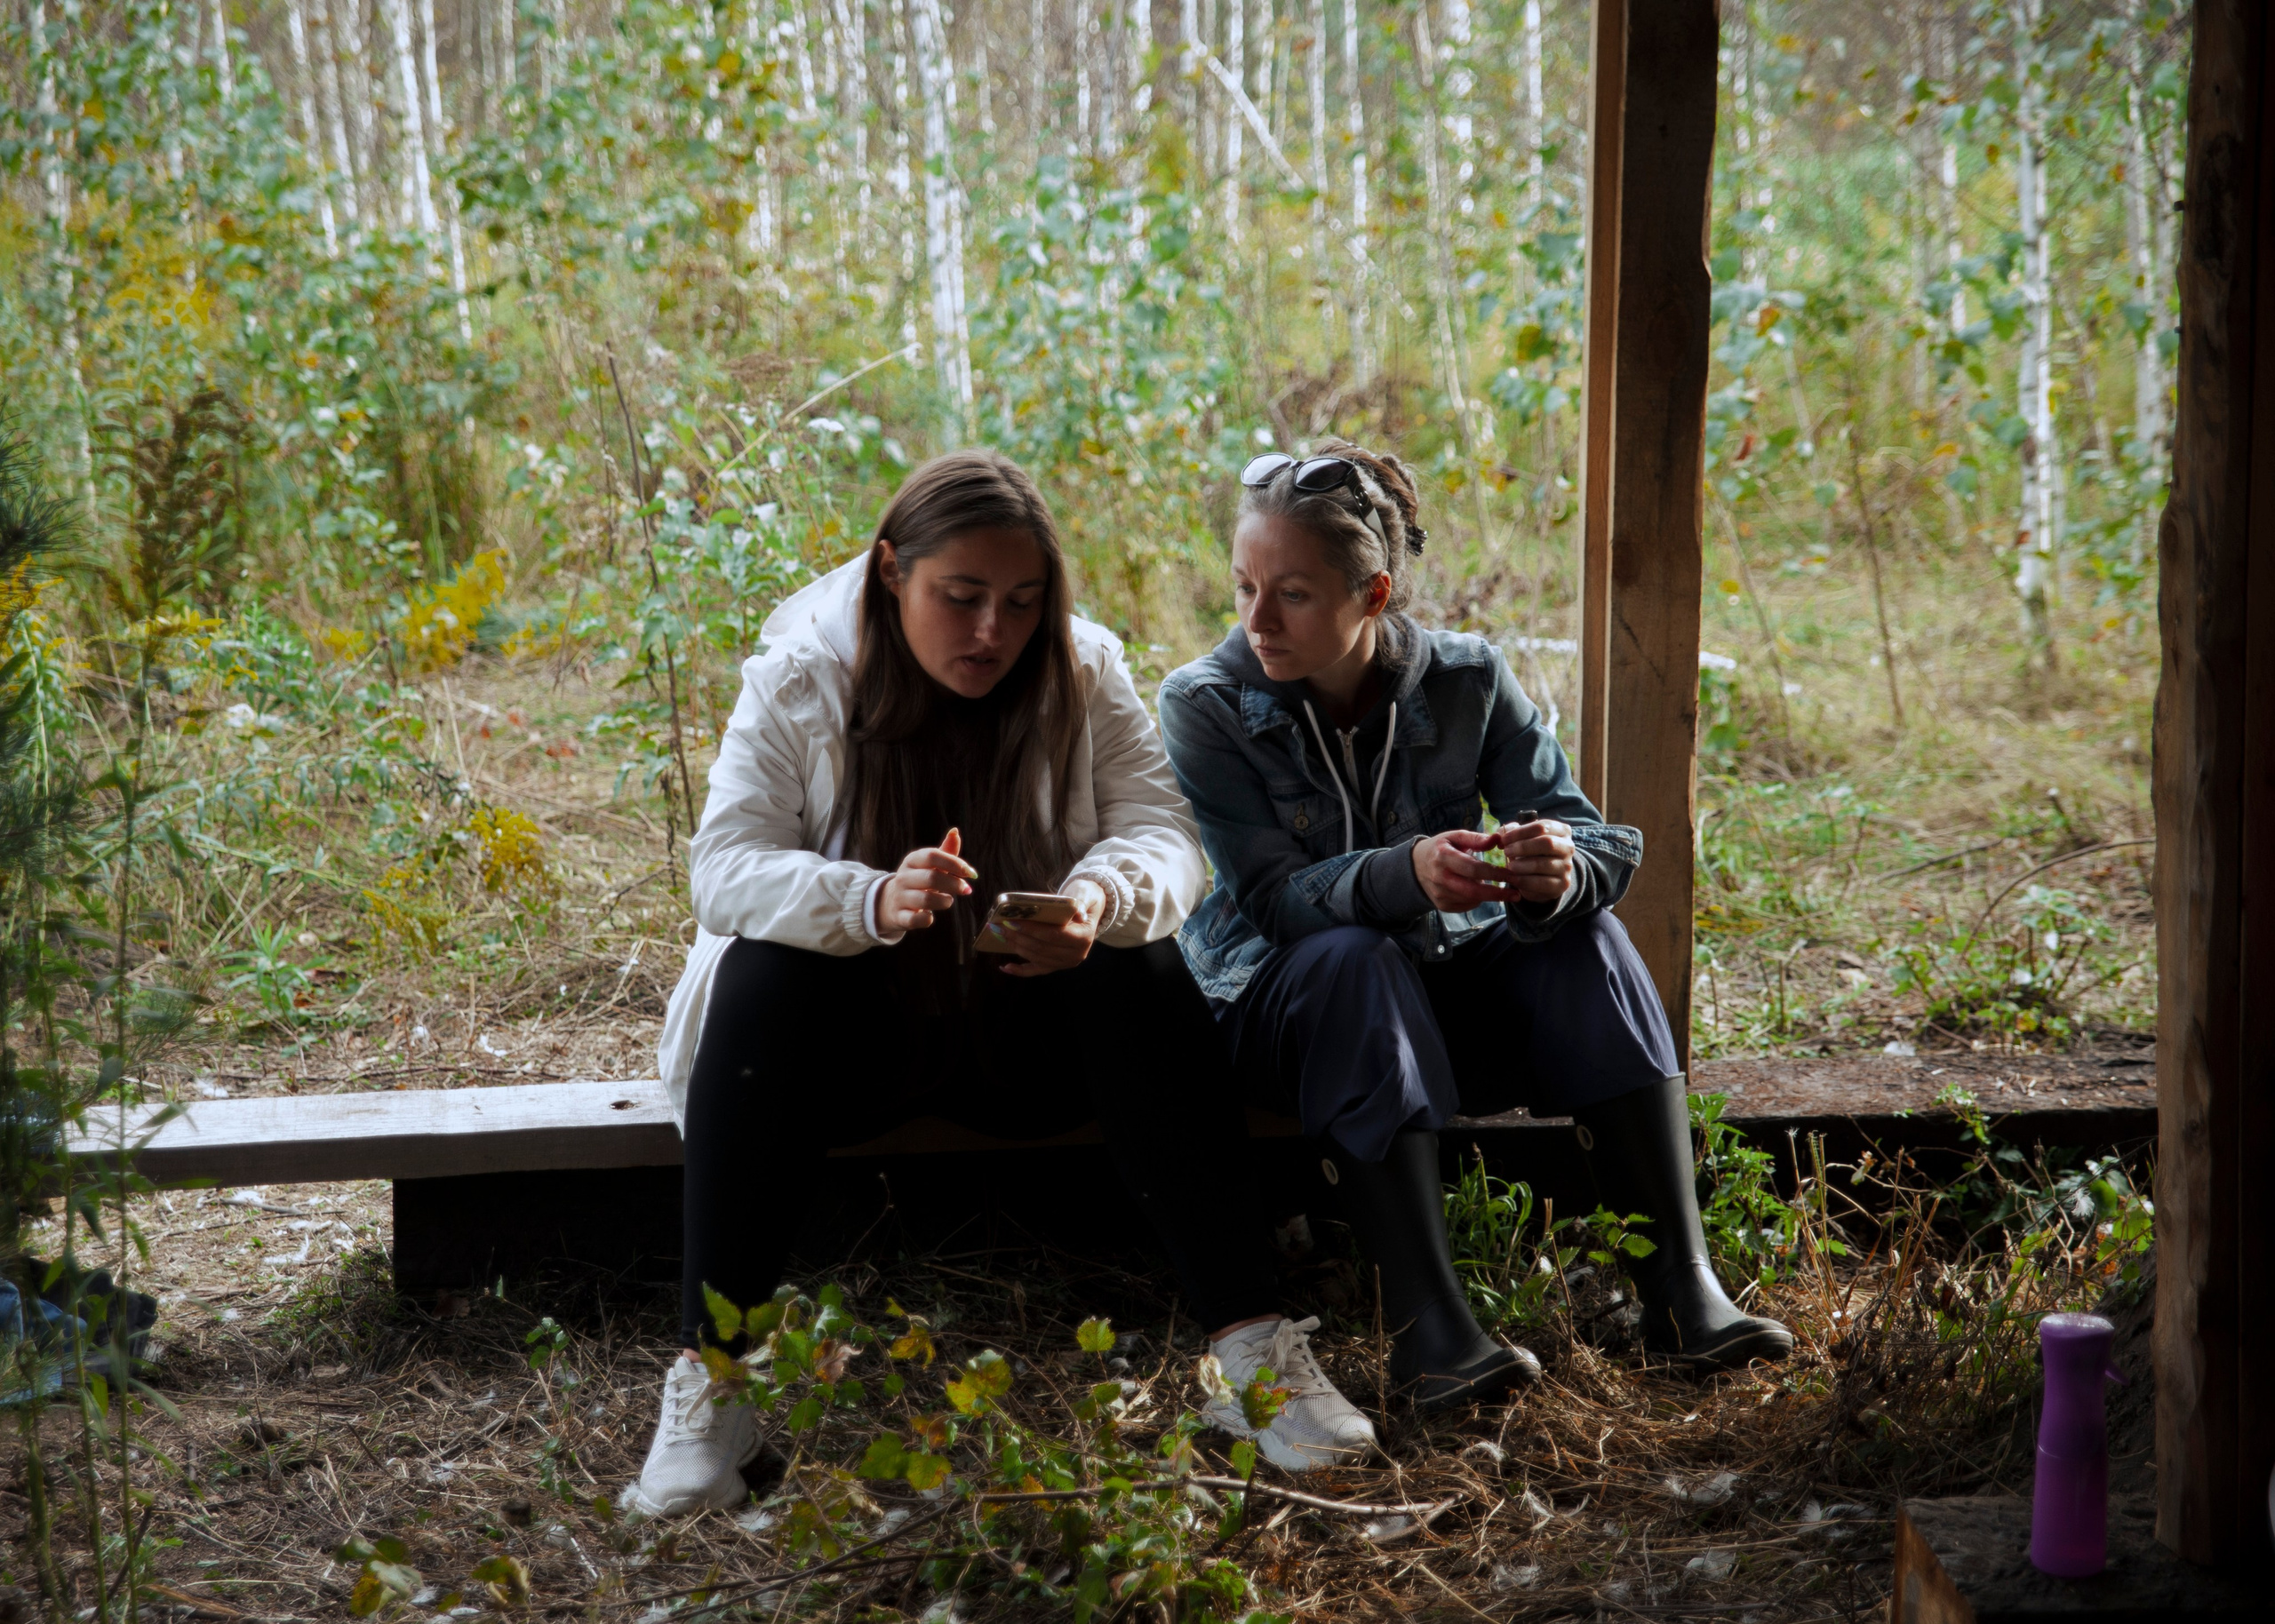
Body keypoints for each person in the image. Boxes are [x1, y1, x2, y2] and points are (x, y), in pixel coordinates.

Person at [631, 450, 1377, 1517]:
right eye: (962, 597)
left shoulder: (1080, 668)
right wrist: (865, 902)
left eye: (1021, 602)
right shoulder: (799, 675)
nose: (993, 631)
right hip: (855, 1056)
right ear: (893, 572)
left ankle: (1251, 1358)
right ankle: (717, 1384)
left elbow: (1164, 836)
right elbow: (724, 868)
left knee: (1138, 958)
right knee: (761, 973)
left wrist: (1096, 902)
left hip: (1030, 1046)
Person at [1156, 441, 1793, 1409]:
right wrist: (1403, 873)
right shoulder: (1204, 703)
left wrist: (1555, 869)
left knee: (1583, 937)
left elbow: (1597, 839)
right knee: (1353, 956)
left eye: (1290, 593)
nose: (1255, 619)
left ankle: (1683, 1294)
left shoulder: (1467, 679)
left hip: (1430, 1009)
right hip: (1281, 1020)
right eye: (1243, 585)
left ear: (1372, 596)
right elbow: (1272, 901)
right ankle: (1433, 1331)